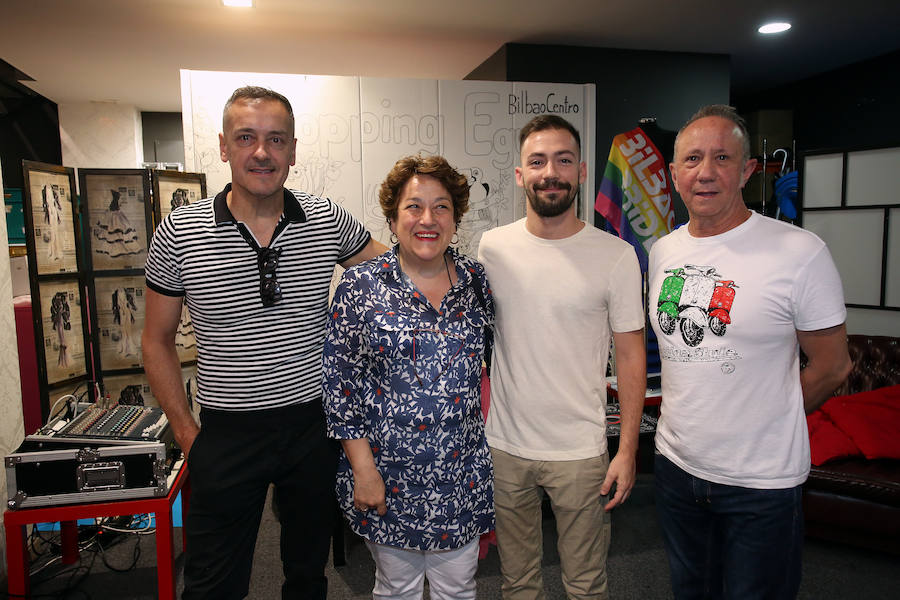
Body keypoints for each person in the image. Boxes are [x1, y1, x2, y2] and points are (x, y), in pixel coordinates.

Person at [142, 85, 384, 600]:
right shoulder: (178, 232)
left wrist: (469, 269)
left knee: (306, 572)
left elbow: (399, 274)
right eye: (246, 137)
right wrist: (187, 434)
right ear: (224, 147)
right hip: (226, 433)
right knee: (212, 583)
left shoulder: (327, 219)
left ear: (293, 151)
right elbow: (156, 340)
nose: (261, 152)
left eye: (276, 140)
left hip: (311, 428)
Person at [648, 104, 853, 599]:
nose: (707, 172)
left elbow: (833, 366)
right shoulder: (663, 251)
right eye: (693, 159)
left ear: (747, 170)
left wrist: (770, 415)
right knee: (691, 590)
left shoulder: (800, 252)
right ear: (675, 175)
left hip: (760, 481)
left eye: (723, 157)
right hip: (677, 469)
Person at [478, 115, 647, 600]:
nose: (550, 171)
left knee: (587, 585)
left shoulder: (615, 255)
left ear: (581, 172)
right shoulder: (493, 248)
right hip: (505, 447)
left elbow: (632, 359)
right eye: (537, 161)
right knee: (518, 583)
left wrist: (628, 449)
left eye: (563, 160)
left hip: (580, 451)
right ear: (519, 175)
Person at [323, 155, 495, 600]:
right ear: (393, 217)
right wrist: (364, 470)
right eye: (414, 206)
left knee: (458, 588)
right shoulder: (359, 287)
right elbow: (341, 390)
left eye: (442, 207)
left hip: (461, 475)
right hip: (387, 473)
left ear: (455, 220)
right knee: (396, 587)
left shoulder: (476, 282)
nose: (428, 219)